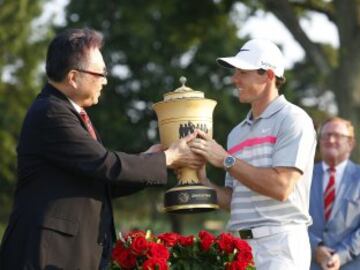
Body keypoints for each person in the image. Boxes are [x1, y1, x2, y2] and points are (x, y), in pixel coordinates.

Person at [0, 28, 203, 270]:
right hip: (45, 254)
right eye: (101, 73)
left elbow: (102, 179)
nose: (106, 81)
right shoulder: (52, 112)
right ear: (73, 77)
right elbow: (104, 164)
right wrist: (166, 158)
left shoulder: (72, 113)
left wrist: (152, 158)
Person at [190, 39, 317, 269]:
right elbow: (233, 200)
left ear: (268, 75)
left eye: (242, 72)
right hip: (241, 248)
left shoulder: (293, 120)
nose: (234, 79)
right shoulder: (236, 134)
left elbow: (281, 187)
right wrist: (202, 180)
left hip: (280, 247)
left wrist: (226, 160)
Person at [309, 117, 360, 270]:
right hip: (309, 263)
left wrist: (342, 255)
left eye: (337, 136)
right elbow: (292, 218)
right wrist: (315, 248)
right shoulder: (303, 176)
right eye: (326, 135)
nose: (330, 140)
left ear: (350, 143)